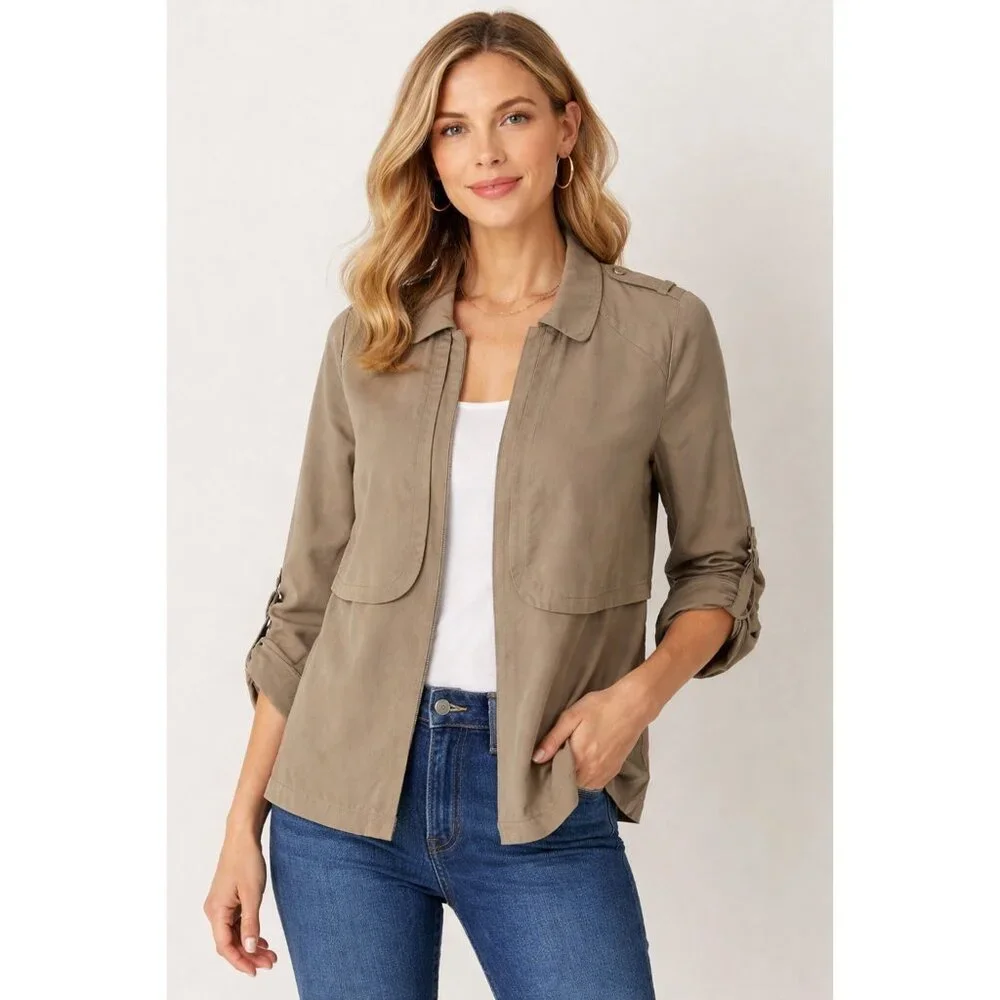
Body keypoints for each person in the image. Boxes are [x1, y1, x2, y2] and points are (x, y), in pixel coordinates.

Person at [203, 11, 765, 999]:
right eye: (453, 128)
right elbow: (304, 602)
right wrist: (240, 825)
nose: (486, 153)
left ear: (566, 127)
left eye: (513, 117)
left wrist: (636, 696)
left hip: (540, 792)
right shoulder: (369, 339)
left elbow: (719, 565)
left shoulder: (660, 333)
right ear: (427, 156)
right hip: (339, 804)